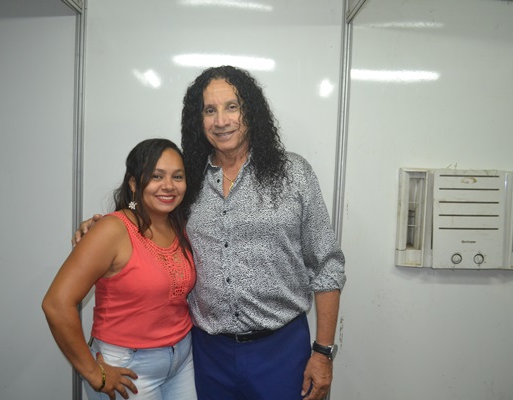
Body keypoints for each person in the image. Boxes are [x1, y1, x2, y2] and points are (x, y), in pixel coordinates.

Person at [76, 65, 346, 400]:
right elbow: (148, 223)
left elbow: (327, 265)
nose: (221, 121)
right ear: (198, 119)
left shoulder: (293, 174)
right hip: (207, 354)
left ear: (251, 112)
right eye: (209, 110)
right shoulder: (186, 180)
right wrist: (103, 226)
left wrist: (322, 352)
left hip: (281, 350)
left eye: (232, 107)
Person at [44, 139, 197, 400]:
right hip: (128, 368)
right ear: (134, 183)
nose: (169, 185)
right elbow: (56, 304)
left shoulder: (179, 225)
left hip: (182, 359)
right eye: (156, 176)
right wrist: (94, 374)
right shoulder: (112, 230)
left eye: (177, 177)